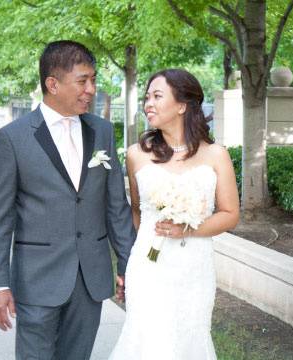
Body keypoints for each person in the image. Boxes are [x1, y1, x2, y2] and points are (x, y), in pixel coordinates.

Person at [0, 40, 136, 360]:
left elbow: (116, 207)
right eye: (82, 81)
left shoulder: (103, 131)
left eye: (93, 79)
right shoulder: (13, 138)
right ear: (52, 84)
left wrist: (129, 265)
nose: (91, 89)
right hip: (37, 278)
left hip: (91, 278)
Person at [109, 69, 240, 359]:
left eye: (157, 96)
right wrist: (139, 253)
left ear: (182, 105)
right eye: (146, 98)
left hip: (194, 269)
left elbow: (230, 213)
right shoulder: (135, 154)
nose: (148, 104)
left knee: (189, 338)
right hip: (148, 267)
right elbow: (136, 211)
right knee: (146, 340)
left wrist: (189, 229)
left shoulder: (216, 154)